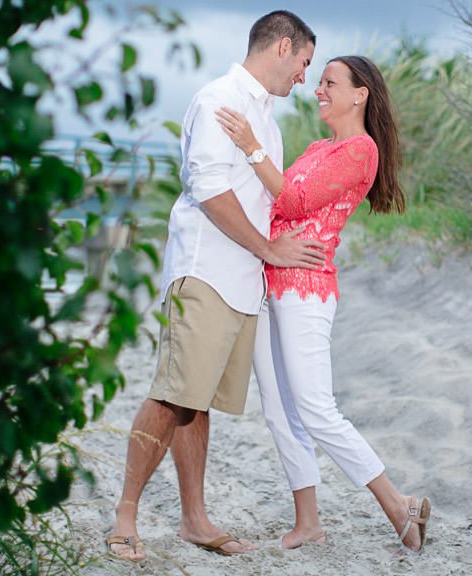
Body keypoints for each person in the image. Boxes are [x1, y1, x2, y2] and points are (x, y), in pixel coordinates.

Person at [105, 11, 323, 561]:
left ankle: (194, 520)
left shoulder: (266, 121)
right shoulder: (219, 99)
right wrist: (270, 249)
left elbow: (270, 197)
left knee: (194, 402)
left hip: (242, 282)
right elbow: (208, 189)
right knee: (172, 393)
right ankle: (124, 517)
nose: (303, 77)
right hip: (204, 271)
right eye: (303, 63)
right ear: (282, 46)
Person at [215, 55, 431, 554]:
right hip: (270, 284)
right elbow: (277, 204)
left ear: (360, 94)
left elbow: (291, 201)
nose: (318, 90)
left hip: (307, 291)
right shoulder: (318, 146)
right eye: (319, 82)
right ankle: (308, 522)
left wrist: (250, 146)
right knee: (279, 410)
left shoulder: (361, 151)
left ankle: (398, 504)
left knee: (315, 409)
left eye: (329, 82)